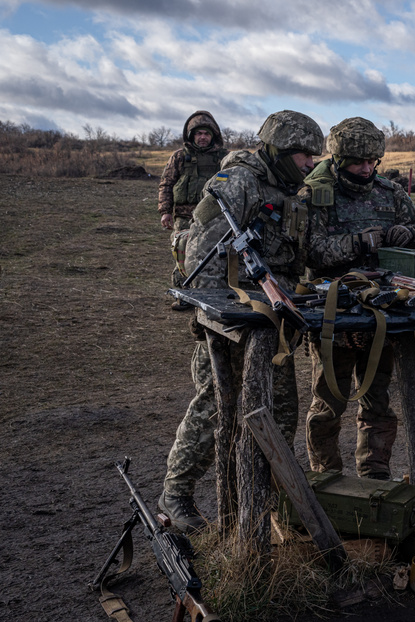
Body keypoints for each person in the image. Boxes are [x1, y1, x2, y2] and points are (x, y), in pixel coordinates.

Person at [158, 110, 323, 532]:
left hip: (274, 323)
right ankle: (176, 495)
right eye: (303, 153)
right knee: (216, 406)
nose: (310, 162)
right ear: (280, 149)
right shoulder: (240, 182)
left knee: (281, 410)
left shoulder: (292, 191)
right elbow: (201, 253)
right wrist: (216, 320)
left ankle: (267, 501)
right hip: (233, 323)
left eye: (313, 154)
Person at [301, 117, 415, 480]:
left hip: (384, 313)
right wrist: (358, 243)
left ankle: (375, 477)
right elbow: (310, 251)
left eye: (372, 162)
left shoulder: (390, 193)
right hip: (334, 315)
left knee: (378, 401)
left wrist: (406, 234)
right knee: (329, 404)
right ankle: (327, 479)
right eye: (358, 162)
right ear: (340, 160)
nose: (366, 169)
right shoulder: (317, 194)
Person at [157, 111, 228, 310]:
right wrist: (165, 211)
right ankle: (183, 296)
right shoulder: (180, 157)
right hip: (184, 218)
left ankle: (211, 295)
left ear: (213, 135)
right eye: (198, 134)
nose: (203, 137)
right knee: (182, 255)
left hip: (213, 217)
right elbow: (166, 185)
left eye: (206, 133)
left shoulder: (224, 158)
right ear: (191, 136)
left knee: (212, 255)